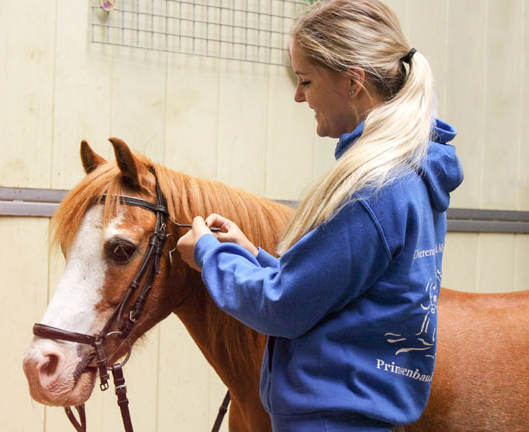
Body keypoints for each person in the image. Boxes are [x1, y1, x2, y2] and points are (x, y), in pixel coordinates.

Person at [177, 0, 463, 431]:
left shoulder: (376, 187)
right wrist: (253, 257)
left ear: (352, 82)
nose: (298, 95)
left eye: (305, 80)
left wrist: (209, 256)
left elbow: (285, 306)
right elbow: (347, 297)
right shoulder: (409, 175)